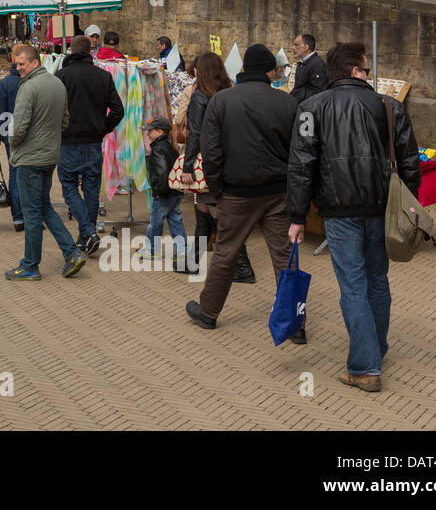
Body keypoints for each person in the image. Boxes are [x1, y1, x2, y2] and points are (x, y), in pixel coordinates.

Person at [287, 42, 421, 393]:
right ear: (354, 71)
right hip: (381, 208)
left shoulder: (311, 108)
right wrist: (409, 210)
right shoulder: (388, 107)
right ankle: (374, 350)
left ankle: (365, 366)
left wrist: (297, 215)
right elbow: (410, 161)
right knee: (377, 279)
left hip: (339, 210)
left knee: (354, 286)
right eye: (366, 69)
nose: (369, 75)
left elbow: (302, 166)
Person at [186, 44, 301, 336]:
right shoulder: (286, 103)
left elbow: (210, 151)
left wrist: (217, 188)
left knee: (226, 252)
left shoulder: (222, 101)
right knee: (284, 257)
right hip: (277, 192)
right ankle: (295, 323)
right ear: (268, 71)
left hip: (236, 192)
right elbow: (298, 151)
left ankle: (209, 312)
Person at [4, 46, 87, 280]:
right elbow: (65, 121)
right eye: (16, 64)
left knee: (31, 213)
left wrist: (13, 143)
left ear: (34, 62)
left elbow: (18, 127)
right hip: (50, 156)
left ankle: (30, 265)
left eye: (21, 64)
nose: (18, 68)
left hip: (30, 159)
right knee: (44, 207)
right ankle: (71, 252)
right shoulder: (57, 84)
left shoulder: (28, 87)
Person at [180, 51, 254, 282]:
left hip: (209, 160)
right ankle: (193, 261)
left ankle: (242, 267)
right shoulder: (231, 94)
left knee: (219, 214)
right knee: (204, 211)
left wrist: (187, 165)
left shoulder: (200, 97)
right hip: (230, 158)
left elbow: (195, 135)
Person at [56, 34, 124, 252]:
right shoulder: (103, 76)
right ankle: (87, 236)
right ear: (90, 52)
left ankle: (88, 232)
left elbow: (53, 108)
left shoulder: (62, 76)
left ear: (71, 52)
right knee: (92, 190)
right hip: (93, 140)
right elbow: (118, 111)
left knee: (69, 187)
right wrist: (102, 128)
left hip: (69, 140)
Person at [144, 116, 188, 271]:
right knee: (176, 221)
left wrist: (158, 191)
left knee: (155, 223)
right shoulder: (171, 148)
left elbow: (161, 172)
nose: (148, 134)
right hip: (174, 192)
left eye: (150, 131)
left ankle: (152, 250)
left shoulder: (157, 150)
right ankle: (183, 251)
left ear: (160, 131)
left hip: (163, 194)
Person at [0, 44, 26, 232]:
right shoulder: (27, 81)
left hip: (10, 135)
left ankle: (18, 218)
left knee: (15, 175)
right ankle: (29, 216)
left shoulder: (6, 83)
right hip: (30, 136)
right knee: (29, 177)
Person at [290, 32, 328, 105]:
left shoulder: (317, 64)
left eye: (296, 45)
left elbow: (318, 92)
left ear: (306, 47)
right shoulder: (302, 63)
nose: (292, 48)